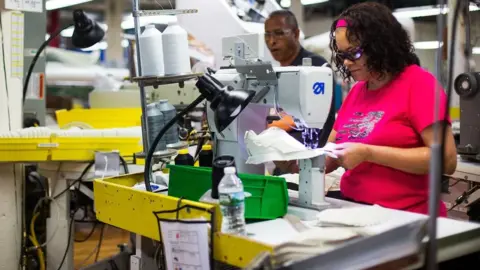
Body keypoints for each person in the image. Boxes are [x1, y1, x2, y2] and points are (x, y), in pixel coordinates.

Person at [325, 2, 457, 216]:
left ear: (380, 46)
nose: (347, 63)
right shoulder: (358, 91)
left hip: (408, 216)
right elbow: (330, 152)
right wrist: (296, 159)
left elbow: (446, 160)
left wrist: (369, 153)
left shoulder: (419, 84)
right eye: (342, 56)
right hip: (356, 210)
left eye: (354, 54)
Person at [264, 10, 329, 175]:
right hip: (283, 160)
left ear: (296, 33)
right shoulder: (276, 72)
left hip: (308, 161)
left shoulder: (317, 68)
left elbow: (316, 118)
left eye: (279, 34)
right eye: (268, 35)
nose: (271, 41)